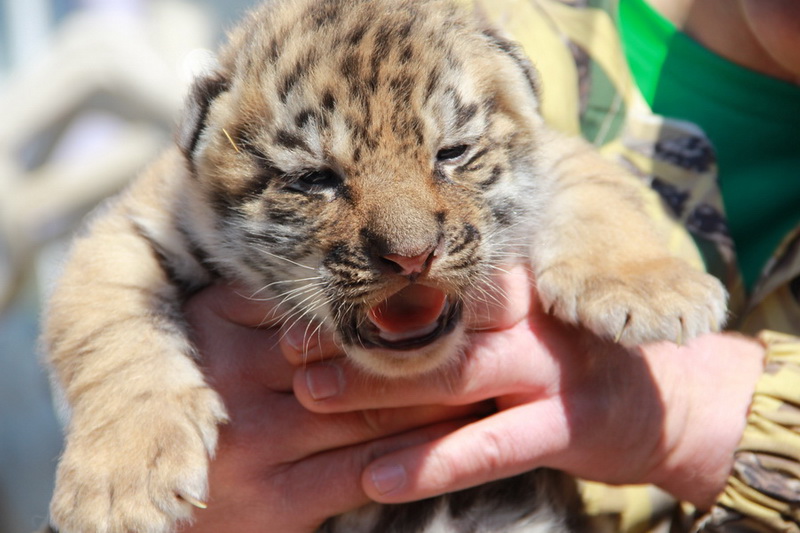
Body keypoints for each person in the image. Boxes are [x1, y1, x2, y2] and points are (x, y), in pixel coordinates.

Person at [173, 0, 800, 531]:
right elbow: (149, 236)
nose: (410, 245)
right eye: (314, 178)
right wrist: (170, 461)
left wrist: (695, 415)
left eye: (454, 153)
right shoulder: (457, 36)